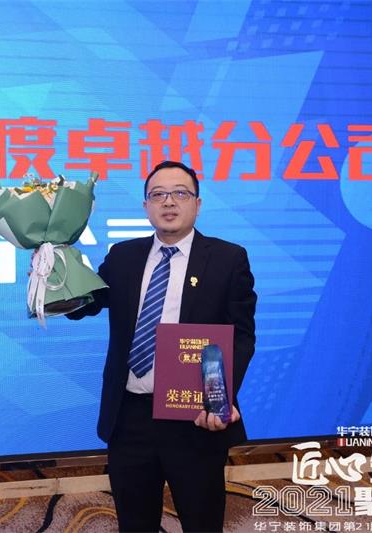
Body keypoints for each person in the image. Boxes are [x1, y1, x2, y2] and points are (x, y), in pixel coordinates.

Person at [67, 160, 257, 532]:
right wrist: (52, 269)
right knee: (135, 523)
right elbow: (82, 305)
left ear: (197, 204)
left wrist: (218, 398)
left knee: (202, 522)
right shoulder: (123, 256)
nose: (168, 202)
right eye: (158, 195)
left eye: (180, 193)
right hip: (130, 417)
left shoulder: (227, 259)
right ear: (146, 206)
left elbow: (241, 335)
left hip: (193, 416)